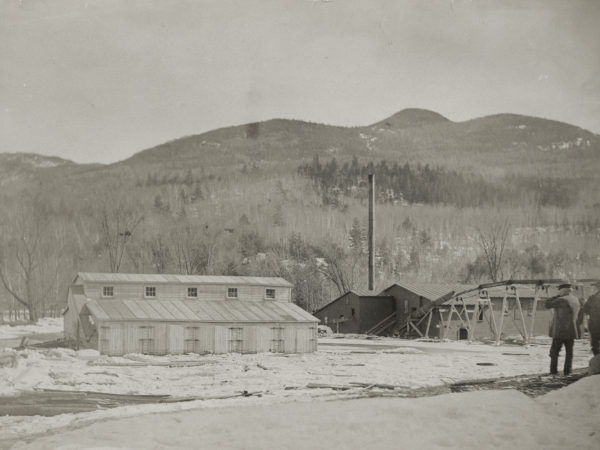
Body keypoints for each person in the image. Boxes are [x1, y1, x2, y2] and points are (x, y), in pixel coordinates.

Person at [545, 283, 582, 376]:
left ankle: (553, 372)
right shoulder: (576, 300)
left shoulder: (561, 299)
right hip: (571, 331)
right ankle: (567, 371)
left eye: (559, 290)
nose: (558, 292)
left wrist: (556, 296)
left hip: (560, 331)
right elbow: (580, 316)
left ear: (563, 290)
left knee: (554, 352)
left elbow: (547, 304)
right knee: (569, 353)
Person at [582, 280, 600, 356]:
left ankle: (597, 362)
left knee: (595, 345)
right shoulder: (592, 298)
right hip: (595, 324)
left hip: (595, 324)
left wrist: (593, 314)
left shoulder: (592, 298)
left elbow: (585, 309)